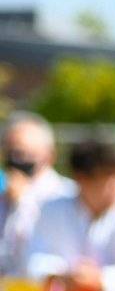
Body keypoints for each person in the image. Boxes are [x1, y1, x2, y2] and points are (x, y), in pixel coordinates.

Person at [24, 139, 115, 291]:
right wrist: (62, 276)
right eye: (110, 176)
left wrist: (100, 279)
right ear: (81, 178)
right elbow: (35, 259)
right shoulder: (53, 209)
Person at [2, 111, 73, 275]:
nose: (15, 160)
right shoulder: (4, 195)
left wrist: (23, 202)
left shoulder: (66, 196)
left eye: (23, 153)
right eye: (9, 152)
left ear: (49, 156)